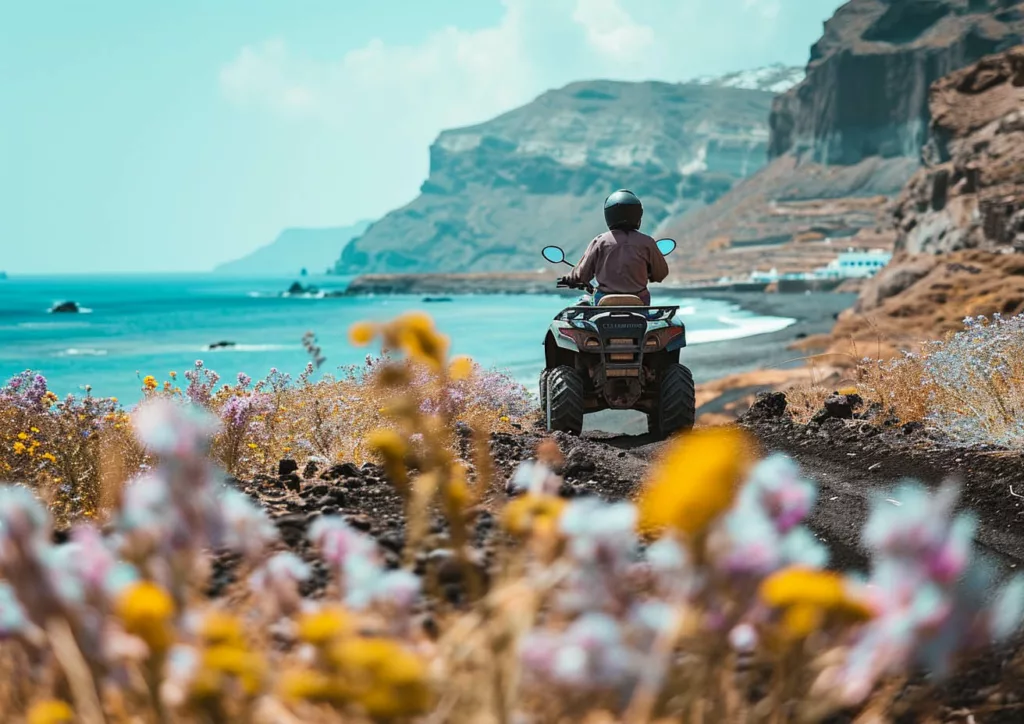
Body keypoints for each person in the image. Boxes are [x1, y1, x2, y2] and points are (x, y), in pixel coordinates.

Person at [559, 189, 669, 305]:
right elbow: (661, 274)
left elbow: (581, 275)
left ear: (609, 214)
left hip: (604, 301)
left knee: (582, 305)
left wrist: (569, 279)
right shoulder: (647, 242)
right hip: (639, 302)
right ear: (637, 214)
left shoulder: (600, 241)